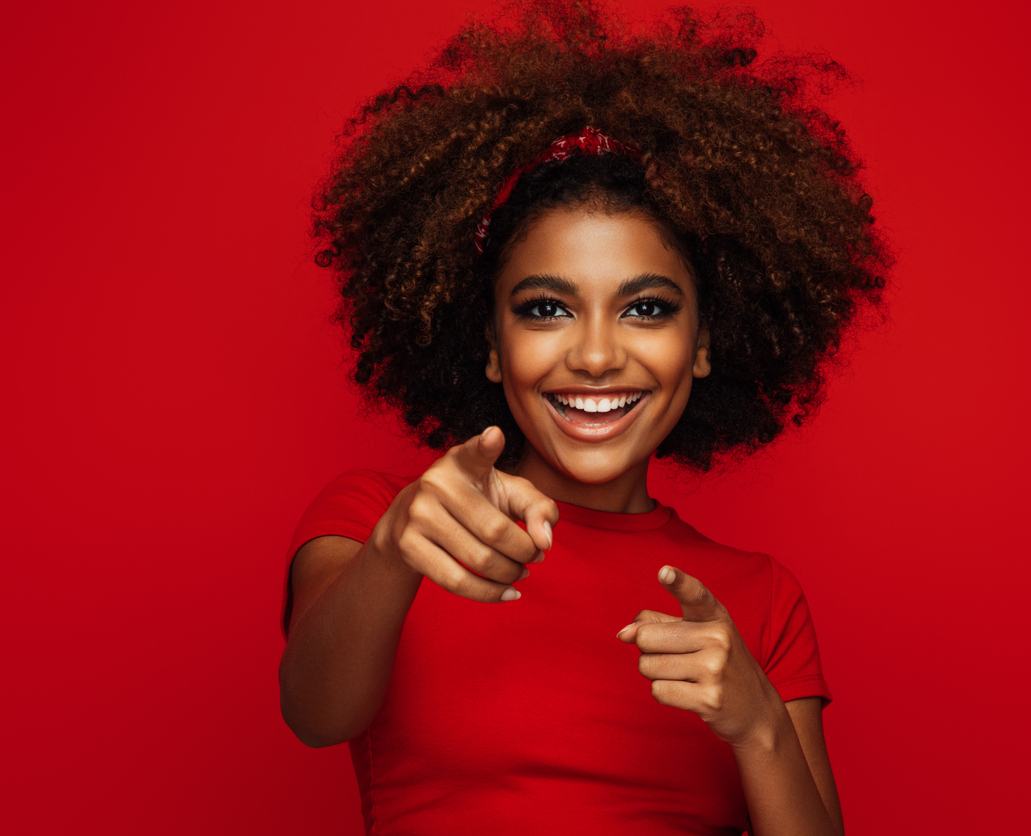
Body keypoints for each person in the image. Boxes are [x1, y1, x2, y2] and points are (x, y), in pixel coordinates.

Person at [279, 2, 889, 833]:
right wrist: (392, 550)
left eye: (645, 308)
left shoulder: (761, 598)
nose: (597, 356)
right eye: (544, 309)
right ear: (491, 346)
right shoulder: (378, 521)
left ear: (703, 344)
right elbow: (315, 713)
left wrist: (759, 727)